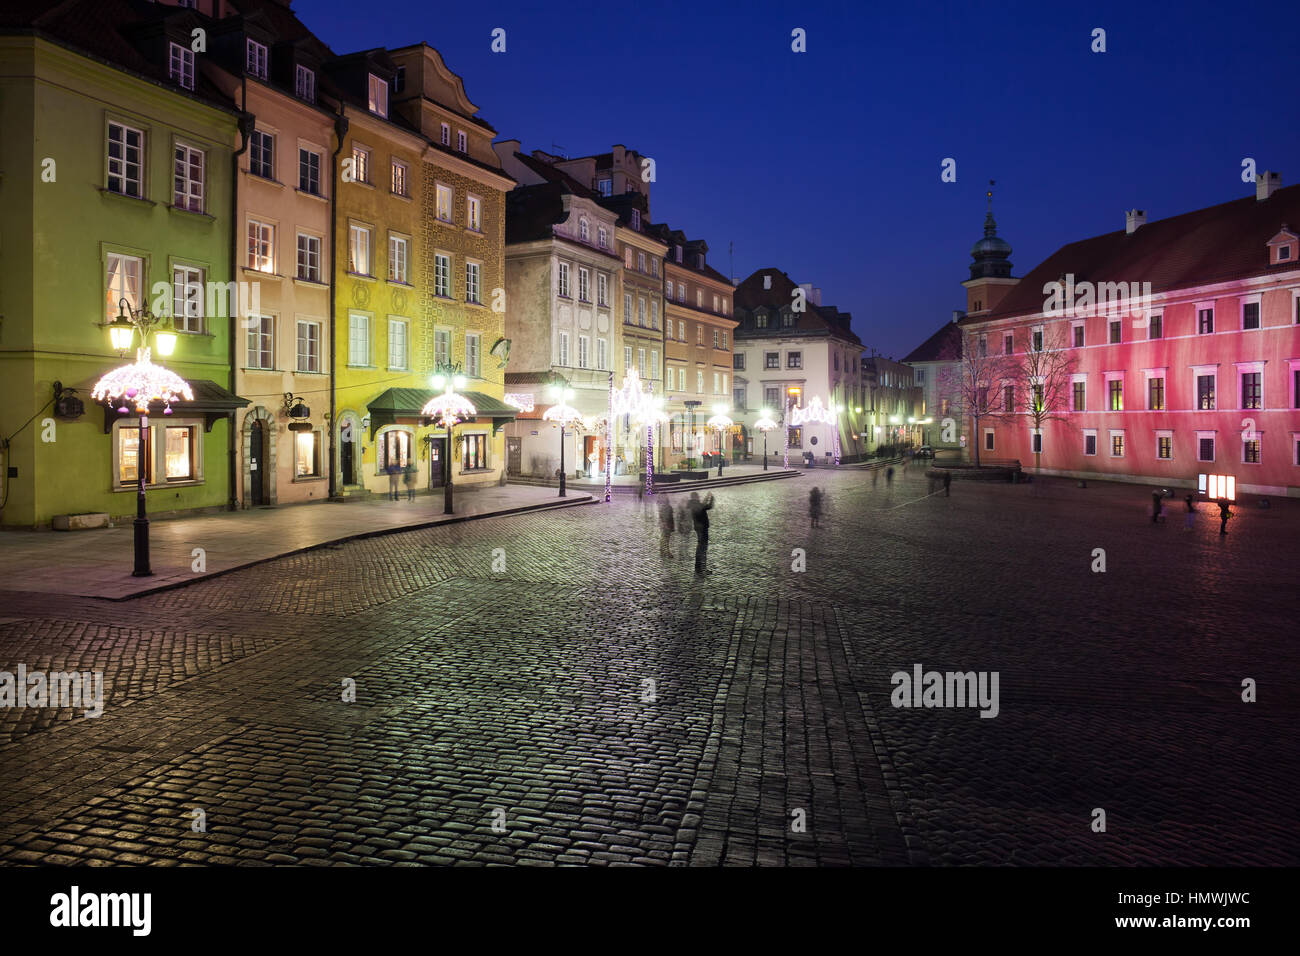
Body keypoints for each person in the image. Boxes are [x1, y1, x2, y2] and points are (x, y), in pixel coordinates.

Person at [688, 491, 715, 576]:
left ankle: (700, 568)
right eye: (698, 496)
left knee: (701, 548)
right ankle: (700, 569)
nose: (699, 497)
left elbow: (703, 505)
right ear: (695, 497)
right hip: (702, 529)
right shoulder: (697, 505)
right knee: (702, 549)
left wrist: (707, 497)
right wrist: (712, 498)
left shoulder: (694, 504)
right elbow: (708, 506)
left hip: (699, 528)